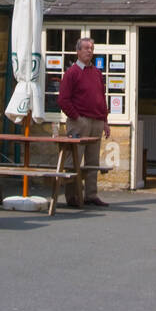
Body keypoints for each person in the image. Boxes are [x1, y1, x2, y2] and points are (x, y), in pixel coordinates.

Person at [58, 37, 110, 207]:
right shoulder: (72, 73)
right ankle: (72, 197)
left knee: (92, 161)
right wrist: (76, 117)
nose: (89, 51)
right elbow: (63, 100)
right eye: (86, 48)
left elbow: (101, 98)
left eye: (92, 48)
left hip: (96, 121)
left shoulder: (96, 72)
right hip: (79, 121)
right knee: (74, 160)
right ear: (78, 51)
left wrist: (105, 121)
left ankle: (91, 194)